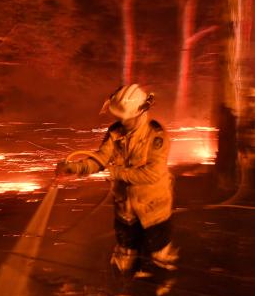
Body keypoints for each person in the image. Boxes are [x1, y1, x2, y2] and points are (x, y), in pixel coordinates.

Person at [56, 84, 178, 277]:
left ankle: (161, 289)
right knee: (125, 260)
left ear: (139, 114)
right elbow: (101, 159)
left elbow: (152, 174)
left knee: (157, 261)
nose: (119, 120)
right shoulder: (115, 132)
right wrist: (75, 168)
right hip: (126, 211)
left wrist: (116, 172)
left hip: (153, 211)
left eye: (124, 117)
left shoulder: (157, 136)